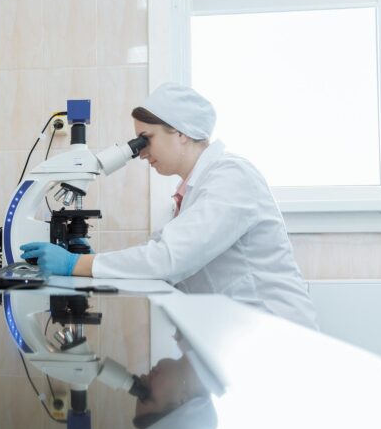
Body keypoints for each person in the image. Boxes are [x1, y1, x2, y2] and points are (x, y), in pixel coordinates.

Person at [20, 83, 317, 328]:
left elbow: (169, 259)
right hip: (239, 331)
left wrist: (78, 265)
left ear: (182, 132)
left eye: (145, 139)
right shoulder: (193, 189)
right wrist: (93, 261)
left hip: (273, 331)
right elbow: (160, 254)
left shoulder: (232, 176)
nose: (141, 152)